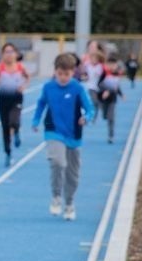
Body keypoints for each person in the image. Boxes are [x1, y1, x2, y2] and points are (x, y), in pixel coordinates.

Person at [32, 53, 95, 221]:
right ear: (55, 71)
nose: (63, 78)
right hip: (53, 131)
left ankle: (69, 203)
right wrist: (36, 120)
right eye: (60, 73)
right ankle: (56, 196)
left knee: (73, 174)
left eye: (67, 74)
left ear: (73, 72)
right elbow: (41, 104)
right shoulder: (48, 87)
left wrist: (86, 118)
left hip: (73, 134)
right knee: (58, 162)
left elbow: (90, 109)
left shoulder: (77, 88)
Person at [0, 42, 31, 167]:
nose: (9, 55)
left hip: (16, 98)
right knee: (5, 127)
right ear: (2, 55)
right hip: (3, 99)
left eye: (11, 52)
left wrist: (24, 86)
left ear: (16, 54)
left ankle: (16, 131)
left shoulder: (20, 67)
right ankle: (8, 152)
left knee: (14, 121)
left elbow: (28, 78)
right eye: (6, 52)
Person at [98, 56, 124, 144]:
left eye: (114, 65)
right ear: (107, 65)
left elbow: (116, 86)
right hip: (103, 99)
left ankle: (111, 136)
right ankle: (105, 115)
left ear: (116, 65)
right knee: (105, 116)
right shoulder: (104, 74)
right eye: (110, 65)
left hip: (113, 99)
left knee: (111, 118)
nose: (112, 67)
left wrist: (121, 94)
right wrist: (105, 91)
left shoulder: (118, 74)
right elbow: (99, 84)